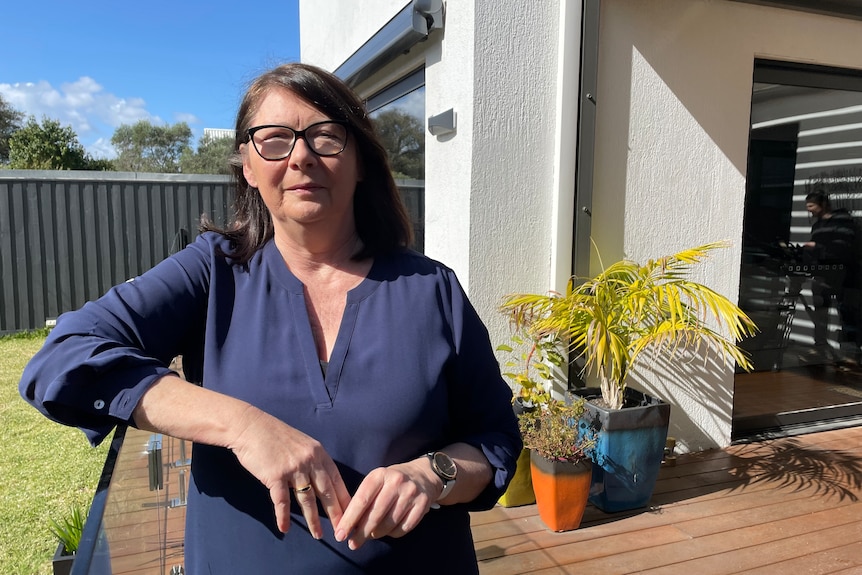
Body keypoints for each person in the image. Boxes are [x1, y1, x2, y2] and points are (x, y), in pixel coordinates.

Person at [19, 63, 521, 574]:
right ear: (247, 166)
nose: (301, 156)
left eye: (326, 137)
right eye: (275, 140)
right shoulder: (214, 273)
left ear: (361, 161)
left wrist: (433, 474)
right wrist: (243, 426)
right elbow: (63, 357)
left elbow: (495, 440)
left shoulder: (432, 289)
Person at [803, 190, 861, 367]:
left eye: (812, 206)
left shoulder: (844, 224)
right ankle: (821, 348)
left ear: (823, 204)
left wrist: (818, 247)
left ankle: (850, 354)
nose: (809, 211)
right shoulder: (817, 226)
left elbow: (843, 250)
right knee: (820, 314)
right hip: (822, 276)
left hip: (844, 277)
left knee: (847, 314)